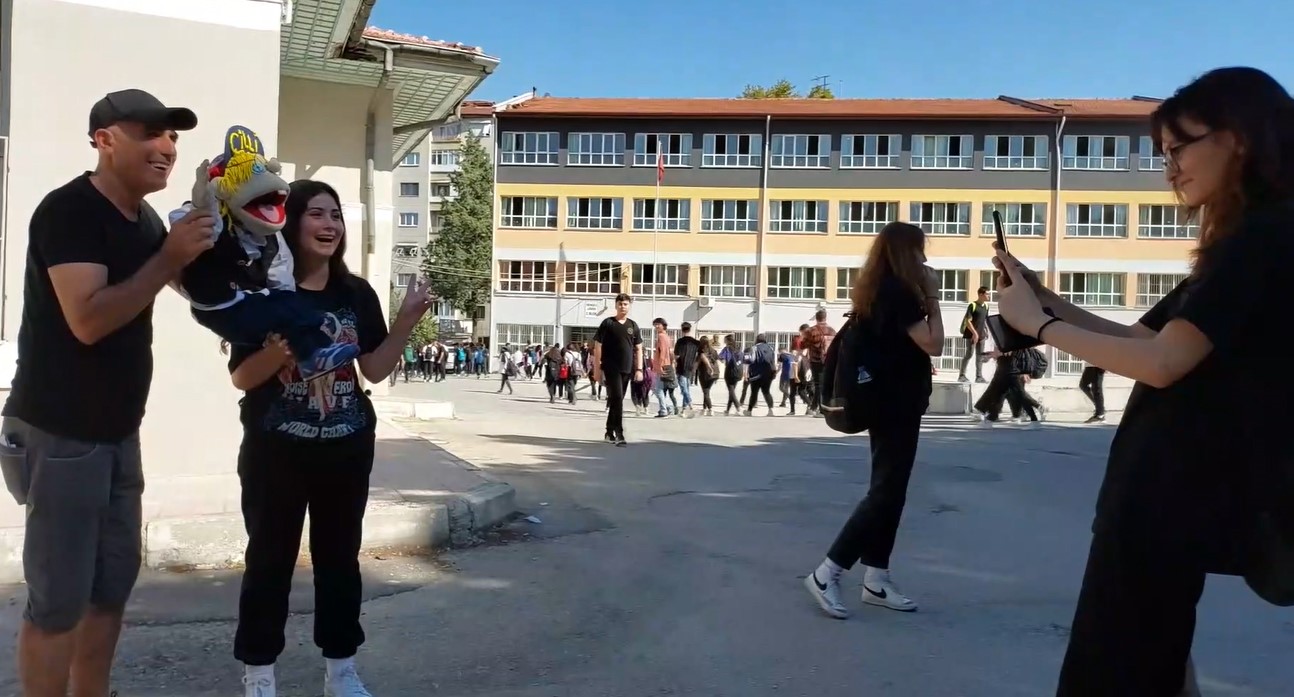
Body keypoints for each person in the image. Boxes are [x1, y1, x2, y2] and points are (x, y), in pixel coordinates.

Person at [993, 67, 1294, 695]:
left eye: (1178, 148)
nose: (1169, 170)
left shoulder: (1262, 238)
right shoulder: (1248, 239)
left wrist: (1039, 325)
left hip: (1167, 499)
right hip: (1164, 498)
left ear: (1239, 136)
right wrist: (1045, 300)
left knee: (1115, 672)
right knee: (1151, 663)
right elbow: (1141, 340)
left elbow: (1162, 363)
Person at [0, 89, 210, 697]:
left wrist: (224, 237)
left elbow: (191, 290)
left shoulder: (145, 221)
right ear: (104, 140)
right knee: (59, 600)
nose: (167, 147)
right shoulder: (70, 211)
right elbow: (88, 319)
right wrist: (168, 257)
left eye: (173, 137)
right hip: (61, 433)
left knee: (110, 590)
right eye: (151, 133)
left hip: (119, 433)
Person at [227, 179, 434, 697]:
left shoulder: (355, 294)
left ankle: (341, 671)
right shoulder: (264, 293)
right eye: (316, 214)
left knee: (339, 560)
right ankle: (259, 674)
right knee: (269, 560)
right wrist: (279, 352)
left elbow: (375, 369)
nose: (330, 225)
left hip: (346, 447)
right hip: (276, 450)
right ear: (291, 224)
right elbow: (242, 378)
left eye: (336, 215)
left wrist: (406, 321)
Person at [804, 221, 943, 620]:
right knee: (885, 492)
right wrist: (933, 296)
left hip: (890, 402)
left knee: (891, 491)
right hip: (894, 404)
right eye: (919, 251)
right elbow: (934, 343)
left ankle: (877, 578)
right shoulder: (898, 292)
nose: (924, 259)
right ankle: (827, 573)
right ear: (905, 254)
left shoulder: (880, 289)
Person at [592, 294, 643, 446]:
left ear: (629, 306)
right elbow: (598, 346)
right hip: (611, 366)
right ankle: (619, 433)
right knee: (617, 398)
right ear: (616, 305)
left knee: (617, 400)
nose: (623, 306)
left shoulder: (633, 326)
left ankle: (609, 432)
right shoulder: (608, 323)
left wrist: (639, 369)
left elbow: (639, 348)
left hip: (626, 367)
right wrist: (597, 369)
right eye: (620, 304)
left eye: (625, 304)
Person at [803, 309, 836, 414]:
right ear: (825, 318)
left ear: (816, 318)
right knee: (826, 384)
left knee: (818, 384)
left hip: (816, 360)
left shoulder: (811, 331)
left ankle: (819, 409)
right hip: (830, 360)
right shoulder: (832, 331)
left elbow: (803, 344)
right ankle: (815, 407)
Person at [958, 286, 991, 383]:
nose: (989, 296)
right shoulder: (972, 305)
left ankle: (979, 377)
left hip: (981, 335)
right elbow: (968, 321)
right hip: (971, 335)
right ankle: (962, 375)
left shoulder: (986, 306)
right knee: (969, 354)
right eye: (987, 294)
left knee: (980, 356)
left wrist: (986, 330)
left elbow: (985, 320)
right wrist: (974, 333)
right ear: (981, 294)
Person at [744, 335, 777, 416]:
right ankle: (771, 410)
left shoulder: (754, 348)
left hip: (756, 374)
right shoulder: (770, 348)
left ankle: (749, 411)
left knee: (754, 392)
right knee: (766, 391)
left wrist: (746, 372)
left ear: (757, 340)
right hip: (768, 373)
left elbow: (750, 360)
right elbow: (773, 361)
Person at [674, 321, 701, 415]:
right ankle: (684, 408)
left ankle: (690, 404)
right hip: (690, 367)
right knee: (687, 387)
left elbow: (676, 355)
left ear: (682, 330)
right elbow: (700, 355)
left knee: (684, 388)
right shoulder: (696, 343)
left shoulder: (679, 342)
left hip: (681, 367)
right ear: (690, 329)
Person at [696, 335, 719, 416]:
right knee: (707, 391)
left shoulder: (701, 351)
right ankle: (704, 408)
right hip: (714, 374)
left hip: (705, 373)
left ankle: (710, 408)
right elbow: (716, 361)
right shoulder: (713, 350)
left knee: (705, 391)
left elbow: (699, 361)